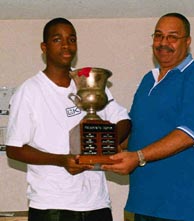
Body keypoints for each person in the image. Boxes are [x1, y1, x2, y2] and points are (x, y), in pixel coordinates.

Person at [5, 17, 131, 221]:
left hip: (97, 204)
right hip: (51, 206)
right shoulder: (29, 91)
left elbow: (124, 121)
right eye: (57, 39)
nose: (66, 45)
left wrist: (105, 144)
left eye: (71, 39)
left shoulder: (90, 83)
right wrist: (61, 160)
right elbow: (14, 149)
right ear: (44, 47)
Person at [102, 13, 194, 221]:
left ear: (187, 42)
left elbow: (188, 135)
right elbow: (135, 132)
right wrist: (105, 145)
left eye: (172, 37)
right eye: (158, 36)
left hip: (188, 208)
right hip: (145, 204)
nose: (163, 43)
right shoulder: (147, 80)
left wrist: (137, 157)